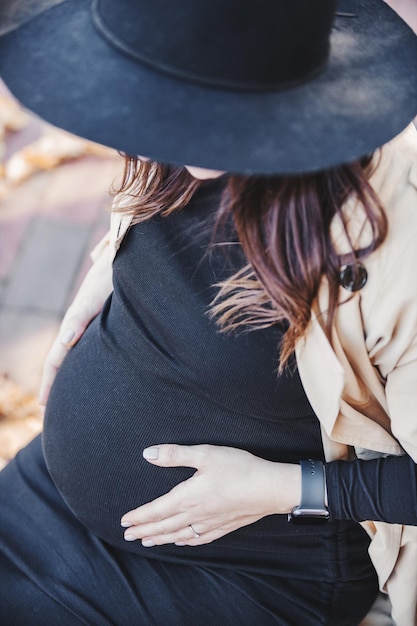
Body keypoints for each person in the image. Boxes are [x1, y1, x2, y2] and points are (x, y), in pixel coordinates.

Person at [0, 0, 417, 624]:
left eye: (198, 106)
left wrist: (285, 489)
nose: (172, 129)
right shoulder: (163, 115)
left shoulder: (393, 236)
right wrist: (114, 261)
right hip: (48, 503)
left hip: (251, 568)